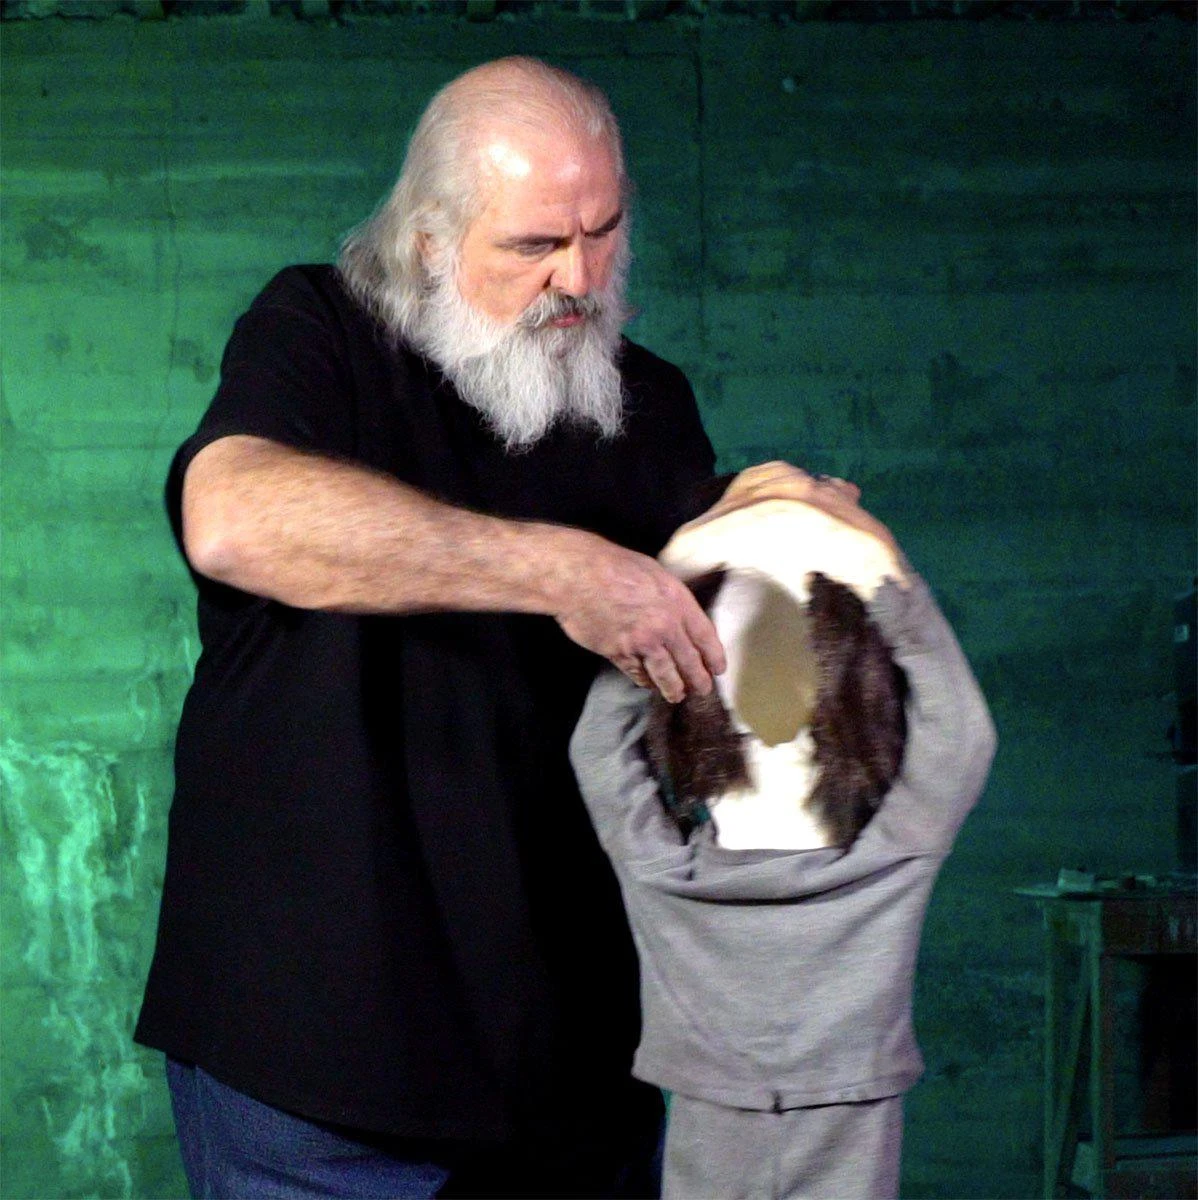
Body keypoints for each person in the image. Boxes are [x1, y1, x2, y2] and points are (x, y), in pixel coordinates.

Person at [133, 56, 733, 1199]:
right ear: (427, 241)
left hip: (577, 1070)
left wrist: (786, 529)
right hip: (314, 1066)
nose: (578, 276)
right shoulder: (317, 328)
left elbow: (709, 663)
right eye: (534, 244)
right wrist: (556, 569)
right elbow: (233, 518)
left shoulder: (649, 402)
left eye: (603, 231)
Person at [569, 463, 998, 1200]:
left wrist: (669, 585)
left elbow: (599, 747)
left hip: (725, 1117)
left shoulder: (664, 871)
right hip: (842, 1114)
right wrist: (884, 576)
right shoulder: (891, 858)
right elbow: (959, 733)